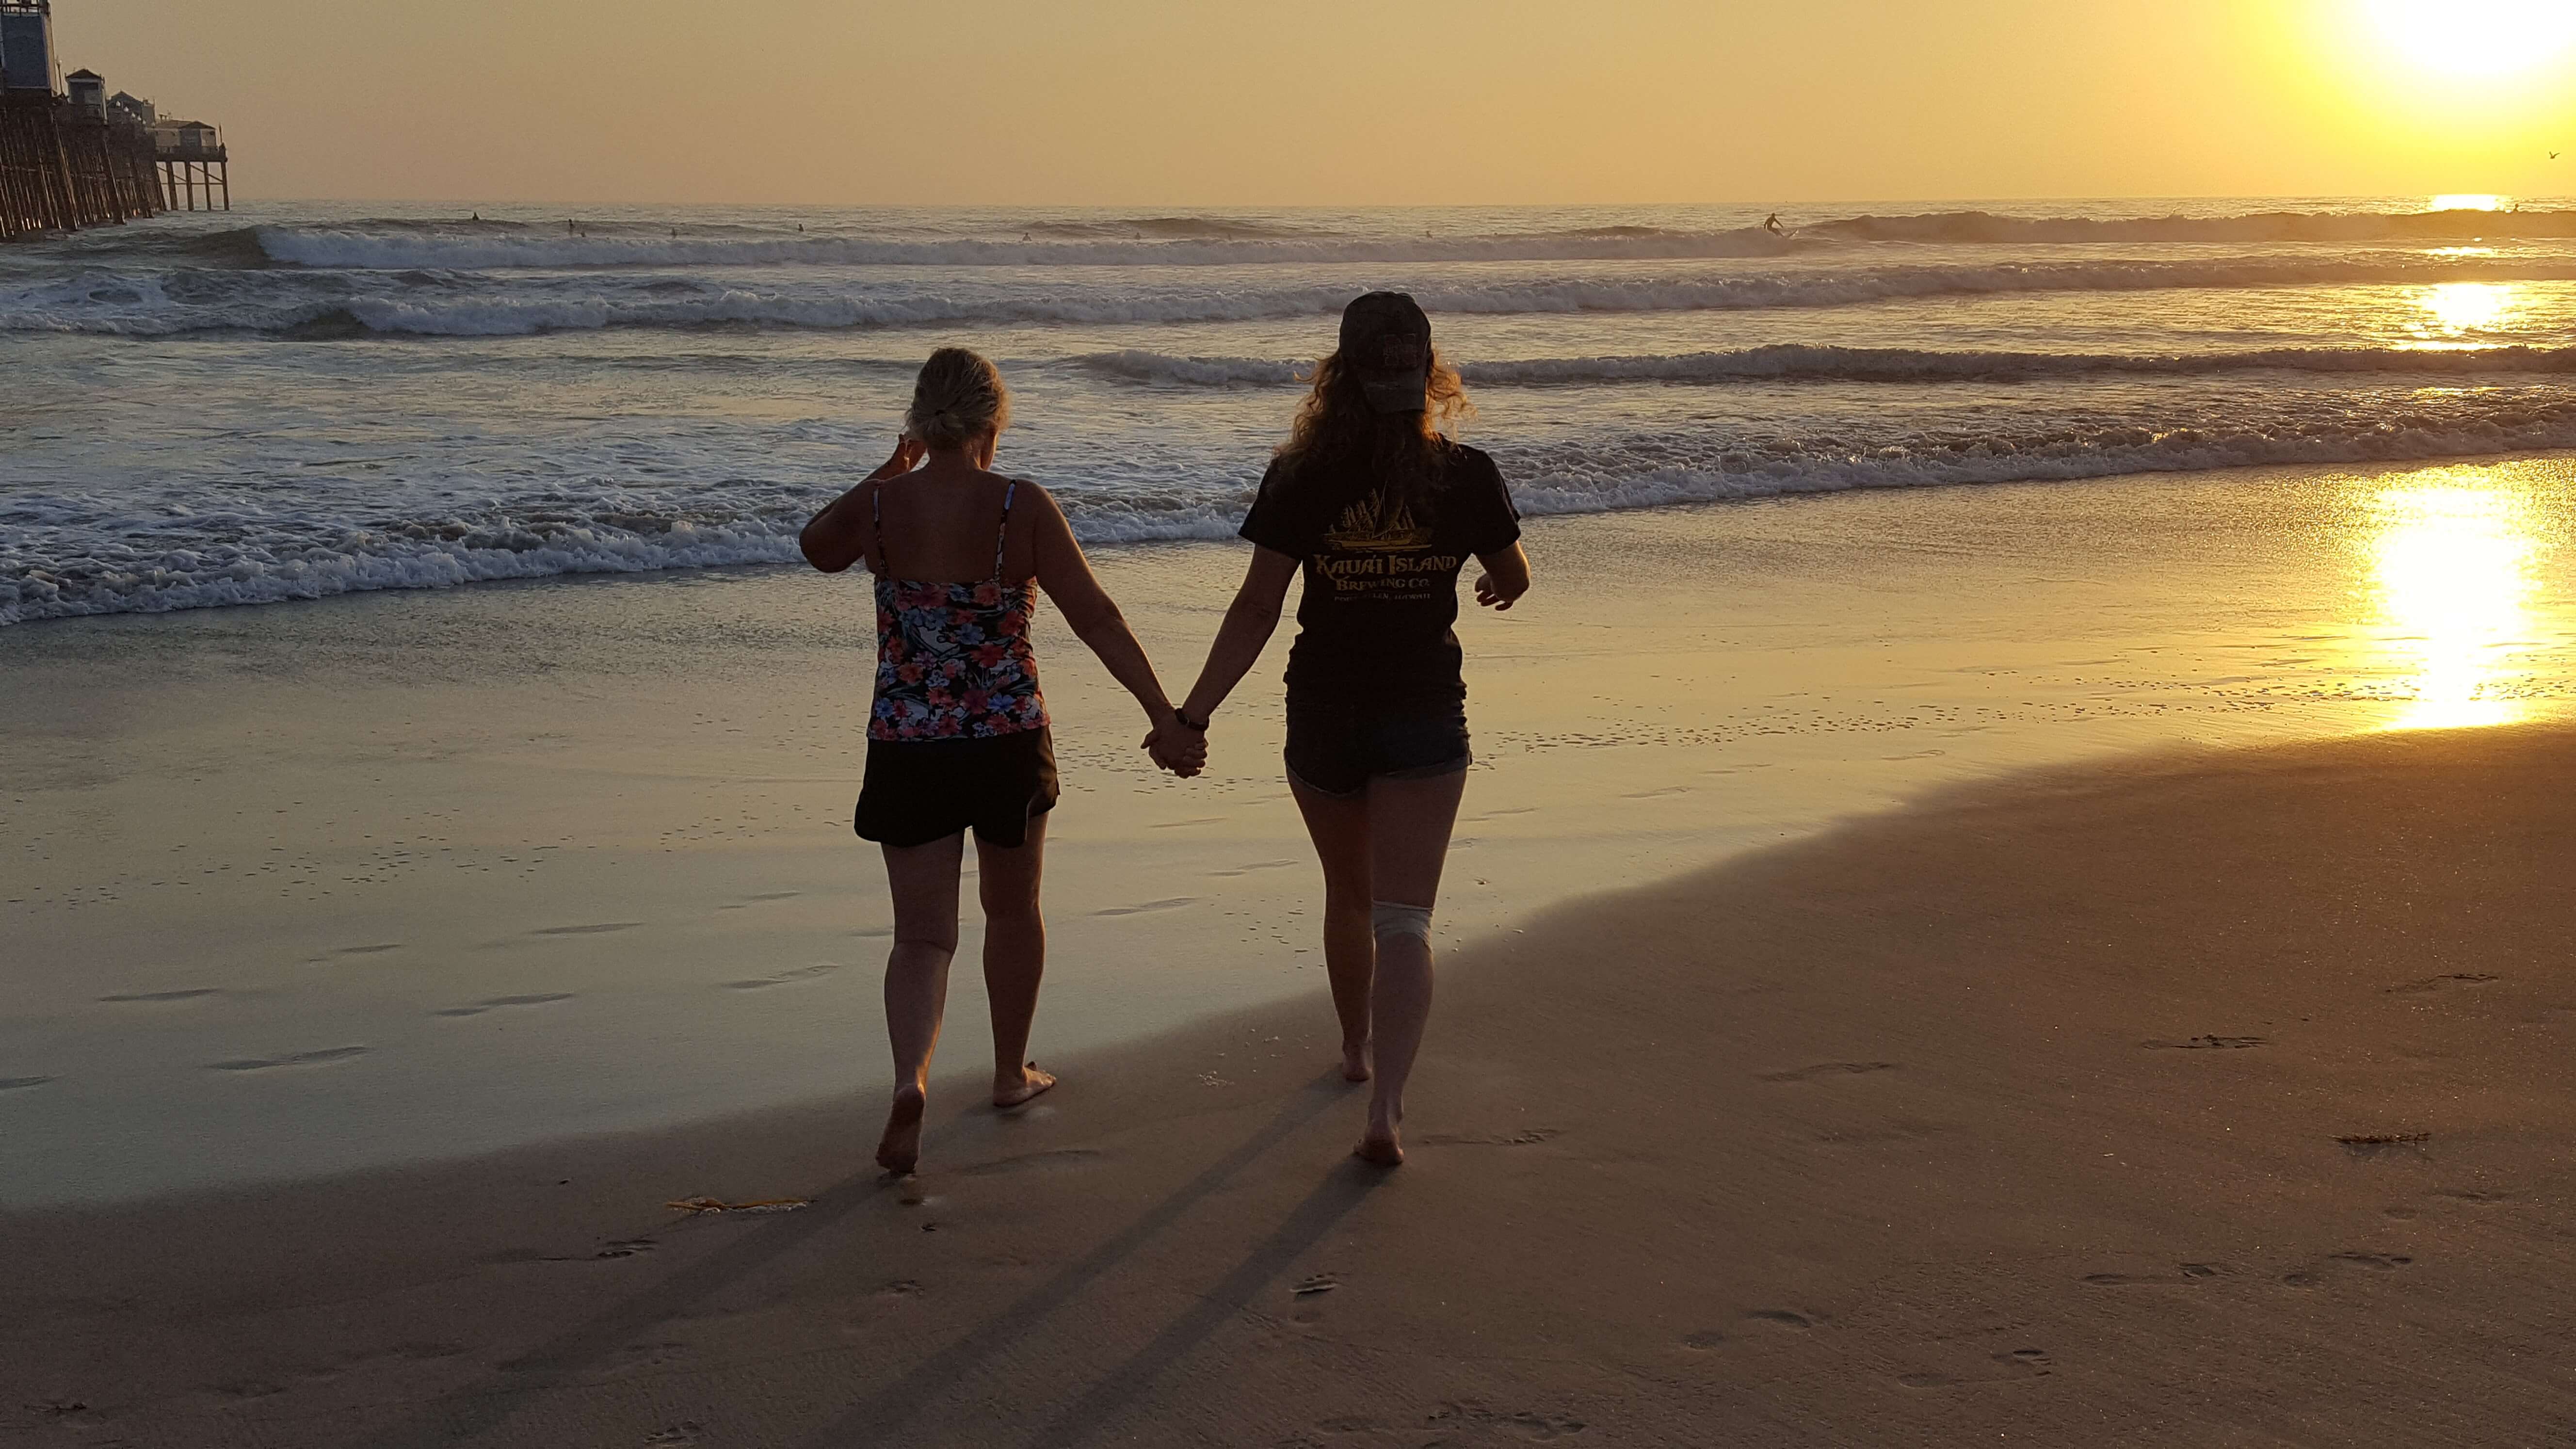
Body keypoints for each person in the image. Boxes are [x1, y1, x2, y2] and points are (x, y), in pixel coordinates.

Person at [799, 348, 1203, 1175]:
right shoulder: (1020, 505)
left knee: (921, 937)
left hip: (908, 742)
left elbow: (817, 548)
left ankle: (911, 1078)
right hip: (1006, 739)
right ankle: (1009, 1073)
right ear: (995, 420)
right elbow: (1095, 616)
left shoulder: (879, 509)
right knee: (1012, 912)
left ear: (919, 420)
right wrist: (1164, 716)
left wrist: (886, 472)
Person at [1160, 293, 1530, 1166]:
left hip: (1323, 709)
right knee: (1406, 919)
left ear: (1341, 374)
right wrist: (1502, 586)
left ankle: (1357, 1053)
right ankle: (1388, 1111)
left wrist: (1192, 715)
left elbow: (1258, 607)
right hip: (1424, 711)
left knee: (1349, 894)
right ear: (1429, 370)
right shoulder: (1468, 472)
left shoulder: (1300, 476)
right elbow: (1511, 571)